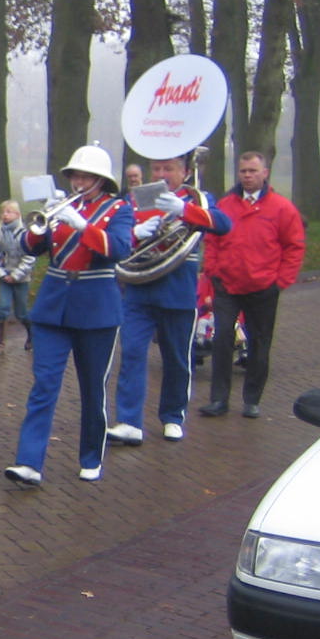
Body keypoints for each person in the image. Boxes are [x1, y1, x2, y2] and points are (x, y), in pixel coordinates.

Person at [5, 144, 133, 486]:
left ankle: (91, 456)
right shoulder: (64, 206)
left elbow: (119, 249)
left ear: (101, 180)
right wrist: (39, 228)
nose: (79, 182)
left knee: (93, 387)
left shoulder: (118, 209)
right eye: (76, 175)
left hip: (97, 308)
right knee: (44, 384)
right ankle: (29, 461)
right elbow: (30, 247)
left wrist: (82, 226)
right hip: (54, 306)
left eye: (86, 177)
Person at [106, 152, 230, 446]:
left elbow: (224, 224)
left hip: (178, 290)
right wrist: (136, 233)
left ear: (184, 172)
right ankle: (129, 421)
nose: (161, 174)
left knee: (177, 359)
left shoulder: (198, 198)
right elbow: (121, 237)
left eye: (169, 168)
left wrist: (185, 210)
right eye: (157, 168)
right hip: (139, 289)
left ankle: (173, 416)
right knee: (132, 353)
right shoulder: (137, 199)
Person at [199, 151, 306, 419]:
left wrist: (281, 281)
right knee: (222, 339)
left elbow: (294, 246)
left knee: (259, 343)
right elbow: (212, 240)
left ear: (265, 173)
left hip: (263, 287)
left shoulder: (281, 208)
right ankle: (219, 399)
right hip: (227, 285)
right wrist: (213, 271)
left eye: (253, 171)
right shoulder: (225, 205)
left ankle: (252, 400)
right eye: (243, 171)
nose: (247, 176)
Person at [0, 199, 35, 355]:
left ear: (17, 214)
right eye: (2, 212)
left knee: (22, 312)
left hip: (21, 277)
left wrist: (16, 275)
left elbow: (30, 256)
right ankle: (0, 343)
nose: (5, 215)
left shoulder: (25, 233)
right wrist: (1, 274)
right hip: (5, 277)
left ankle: (32, 335)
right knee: (2, 308)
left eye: (9, 212)